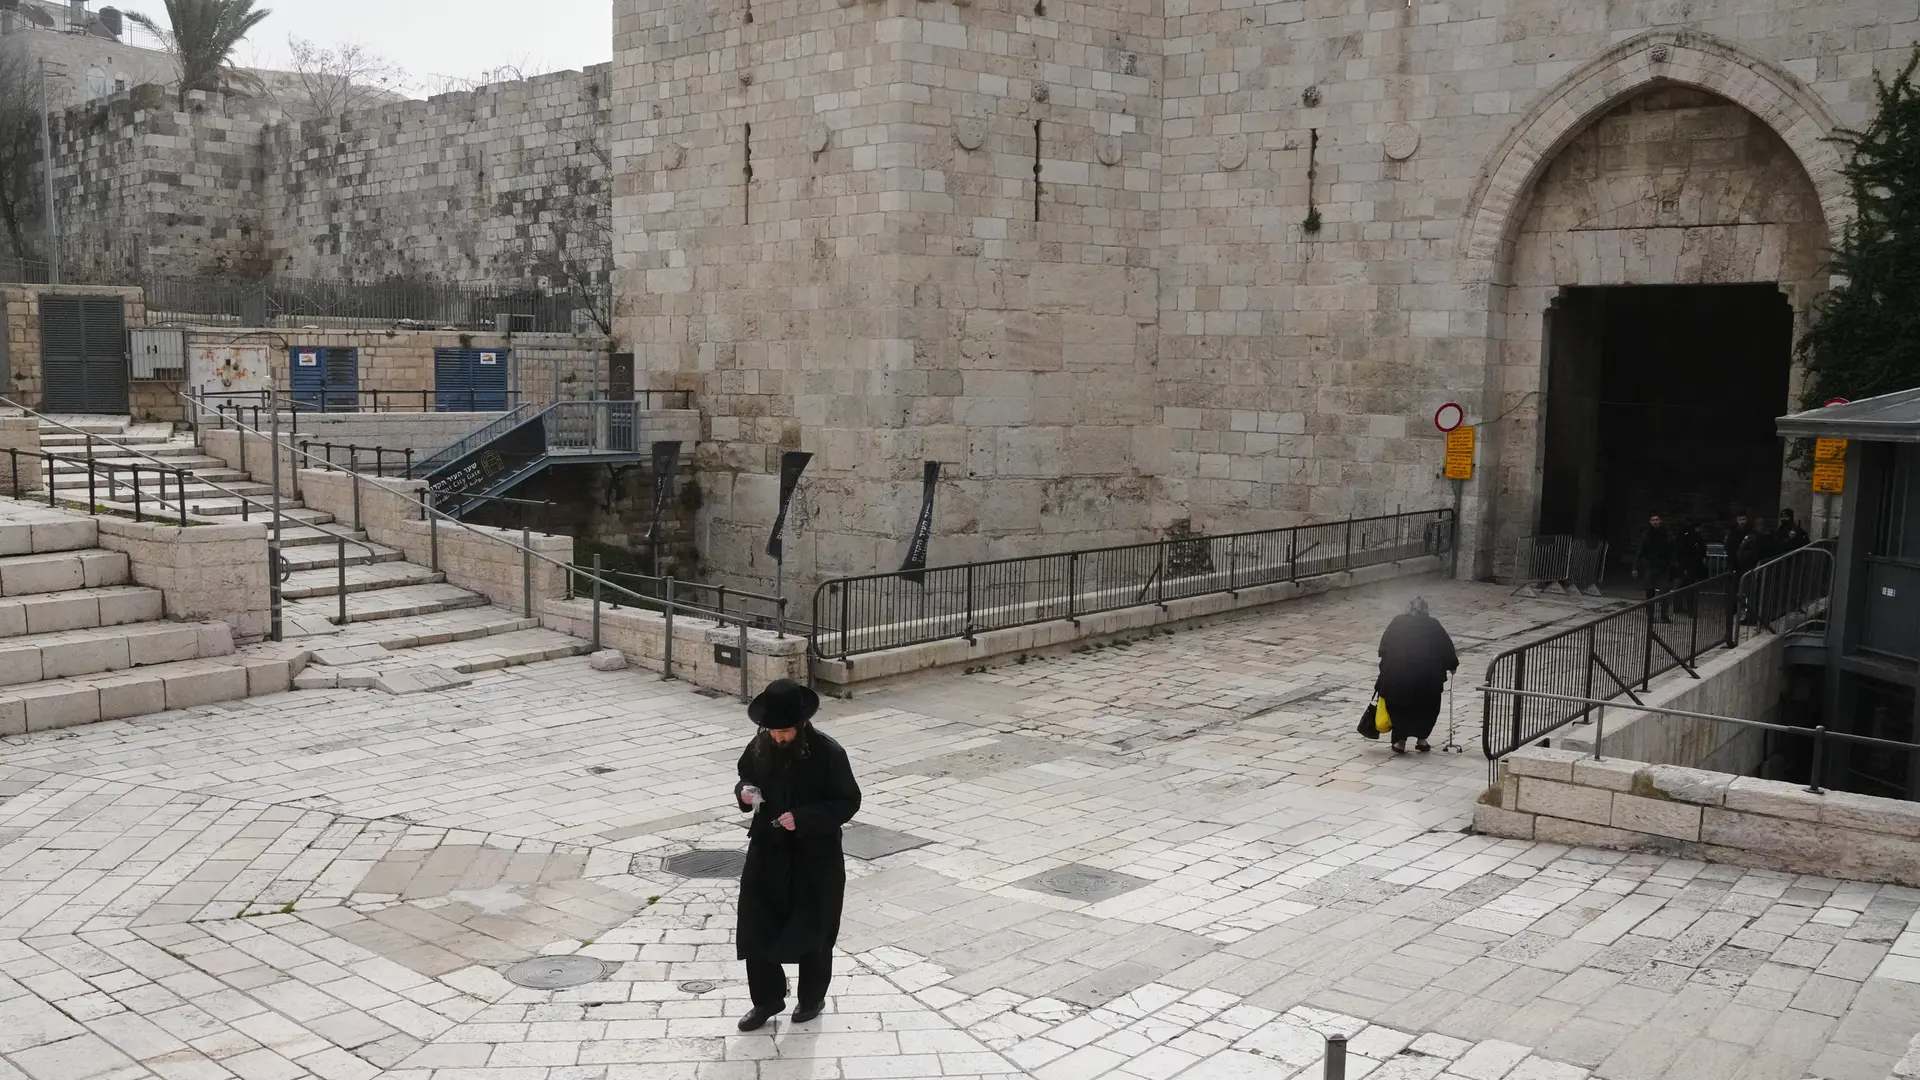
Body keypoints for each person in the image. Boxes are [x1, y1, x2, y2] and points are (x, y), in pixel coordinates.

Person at [732, 679, 862, 1032]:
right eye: (773, 732)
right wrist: (744, 794)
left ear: (802, 725)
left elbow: (848, 801)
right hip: (767, 850)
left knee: (814, 929)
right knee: (756, 926)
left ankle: (811, 997)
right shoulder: (760, 745)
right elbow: (744, 777)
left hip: (814, 856)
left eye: (785, 732)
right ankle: (767, 1000)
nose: (779, 738)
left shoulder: (829, 753)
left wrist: (803, 818)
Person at [1374, 597, 1459, 755]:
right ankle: (1422, 739)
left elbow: (1383, 648)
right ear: (1425, 610)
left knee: (1399, 708)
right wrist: (1452, 665)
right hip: (1426, 680)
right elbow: (1446, 648)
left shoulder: (1397, 622)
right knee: (1426, 708)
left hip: (1397, 678)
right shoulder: (1432, 625)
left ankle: (1400, 741)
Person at [1632, 512, 1676, 623]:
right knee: (1650, 591)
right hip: (1651, 566)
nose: (1655, 522)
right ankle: (1650, 615)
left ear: (1660, 521)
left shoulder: (1667, 535)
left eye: (1657, 519)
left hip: (1663, 567)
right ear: (1650, 522)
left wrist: (1672, 565)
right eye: (1653, 520)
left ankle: (1663, 615)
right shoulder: (1646, 536)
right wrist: (1635, 567)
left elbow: (1672, 551)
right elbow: (1640, 552)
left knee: (1665, 591)